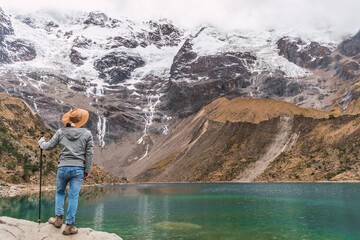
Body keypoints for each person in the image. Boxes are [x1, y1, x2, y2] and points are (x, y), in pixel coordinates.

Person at [38, 108, 94, 235]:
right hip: (78, 169)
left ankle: (58, 220)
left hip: (62, 168)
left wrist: (41, 141)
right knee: (73, 196)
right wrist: (87, 169)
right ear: (81, 120)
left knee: (60, 192)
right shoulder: (87, 134)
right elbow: (90, 154)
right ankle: (69, 226)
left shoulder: (61, 132)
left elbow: (48, 146)